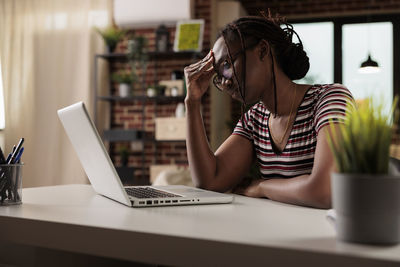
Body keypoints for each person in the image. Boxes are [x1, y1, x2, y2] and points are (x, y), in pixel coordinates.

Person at [183, 13, 353, 209]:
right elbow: (210, 181)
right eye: (219, 76)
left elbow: (324, 191)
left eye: (228, 65)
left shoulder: (329, 99)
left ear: (262, 50)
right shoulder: (255, 120)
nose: (225, 81)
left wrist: (263, 187)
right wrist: (192, 102)